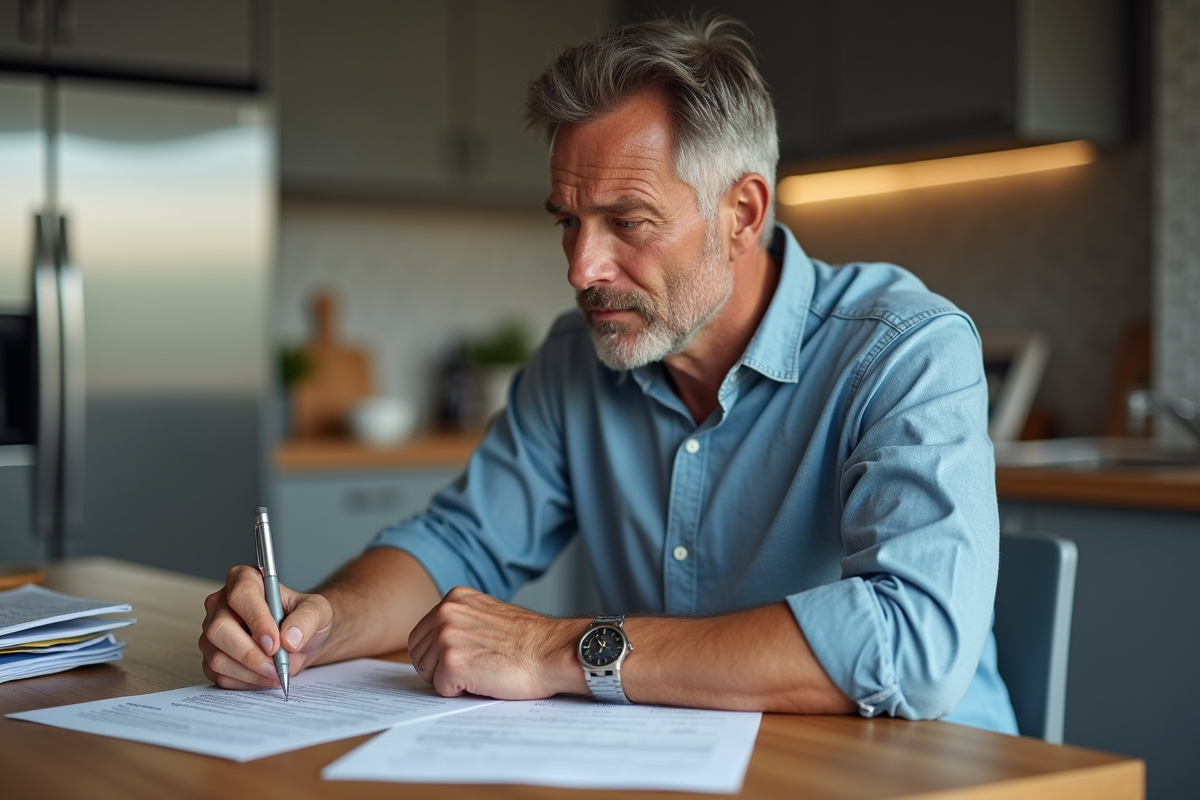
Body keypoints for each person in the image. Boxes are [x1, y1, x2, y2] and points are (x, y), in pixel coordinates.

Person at [200, 16, 1018, 733]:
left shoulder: (905, 350)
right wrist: (317, 626)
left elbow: (915, 644)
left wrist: (557, 647)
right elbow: (460, 544)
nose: (582, 268)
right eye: (568, 222)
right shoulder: (572, 361)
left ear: (743, 214)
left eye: (627, 222)